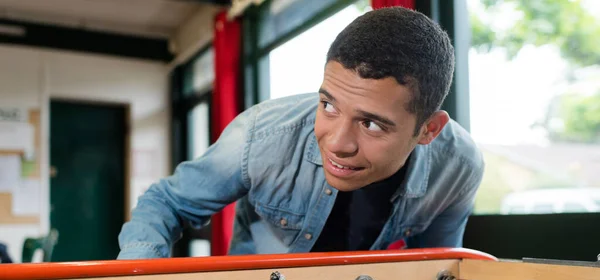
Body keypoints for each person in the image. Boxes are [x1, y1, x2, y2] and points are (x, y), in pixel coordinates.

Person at [117, 6, 483, 260]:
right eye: (329, 105)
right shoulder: (261, 135)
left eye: (371, 124)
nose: (337, 144)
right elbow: (167, 202)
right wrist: (137, 276)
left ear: (428, 130)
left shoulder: (458, 166)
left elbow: (436, 263)